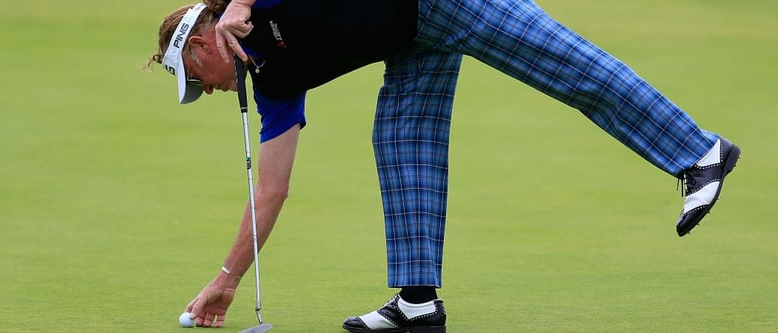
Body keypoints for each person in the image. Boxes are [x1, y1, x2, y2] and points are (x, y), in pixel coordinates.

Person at [147, 0, 740, 331]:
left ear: (201, 44)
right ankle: (416, 303)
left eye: (197, 80)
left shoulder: (250, 9)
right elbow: (271, 190)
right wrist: (226, 280)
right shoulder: (272, 80)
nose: (207, 90)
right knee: (402, 142)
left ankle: (697, 151)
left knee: (565, 66)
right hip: (412, 38)